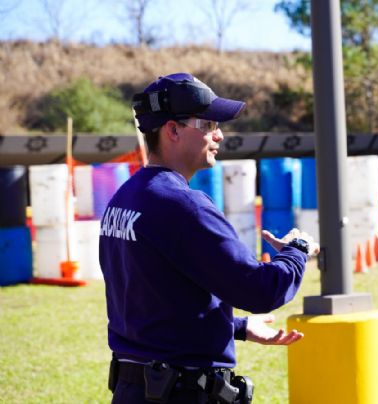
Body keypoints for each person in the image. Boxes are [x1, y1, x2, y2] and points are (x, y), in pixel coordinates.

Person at [100, 72, 319, 403]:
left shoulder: (125, 198)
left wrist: (238, 327)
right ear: (172, 130)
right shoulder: (183, 205)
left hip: (135, 388)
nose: (218, 135)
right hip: (180, 391)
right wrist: (297, 250)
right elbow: (261, 290)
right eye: (207, 124)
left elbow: (156, 301)